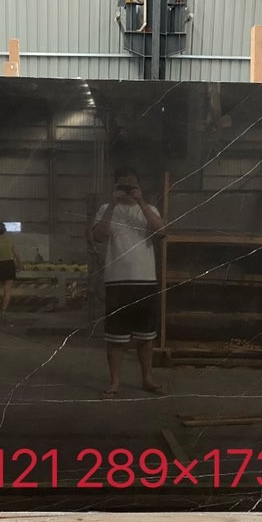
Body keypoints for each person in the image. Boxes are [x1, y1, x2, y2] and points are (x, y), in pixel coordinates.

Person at [92, 166, 166, 398]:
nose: (127, 188)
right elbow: (98, 236)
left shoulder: (150, 209)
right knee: (115, 338)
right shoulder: (106, 209)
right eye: (122, 184)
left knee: (146, 337)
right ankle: (114, 382)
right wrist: (112, 204)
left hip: (145, 280)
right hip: (117, 281)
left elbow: (161, 231)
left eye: (131, 184)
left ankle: (147, 378)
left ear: (138, 185)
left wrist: (141, 201)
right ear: (115, 185)